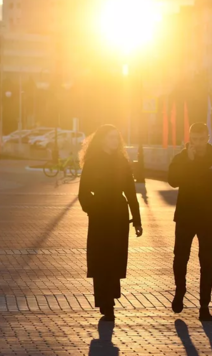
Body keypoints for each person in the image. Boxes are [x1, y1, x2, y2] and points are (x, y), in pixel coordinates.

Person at [168, 123, 212, 322]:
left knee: (207, 263)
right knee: (180, 258)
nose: (197, 143)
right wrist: (188, 161)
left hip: (207, 219)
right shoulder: (181, 157)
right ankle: (180, 291)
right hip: (185, 217)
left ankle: (204, 306)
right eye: (194, 139)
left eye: (201, 138)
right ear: (189, 138)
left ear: (207, 137)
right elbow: (172, 180)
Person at [78, 124, 143, 321]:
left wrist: (137, 221)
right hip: (99, 215)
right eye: (111, 137)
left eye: (117, 138)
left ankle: (111, 297)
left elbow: (131, 193)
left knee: (115, 257)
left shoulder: (122, 162)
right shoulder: (93, 162)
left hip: (119, 215)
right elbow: (83, 193)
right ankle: (104, 301)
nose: (115, 141)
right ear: (102, 140)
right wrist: (93, 208)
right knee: (100, 258)